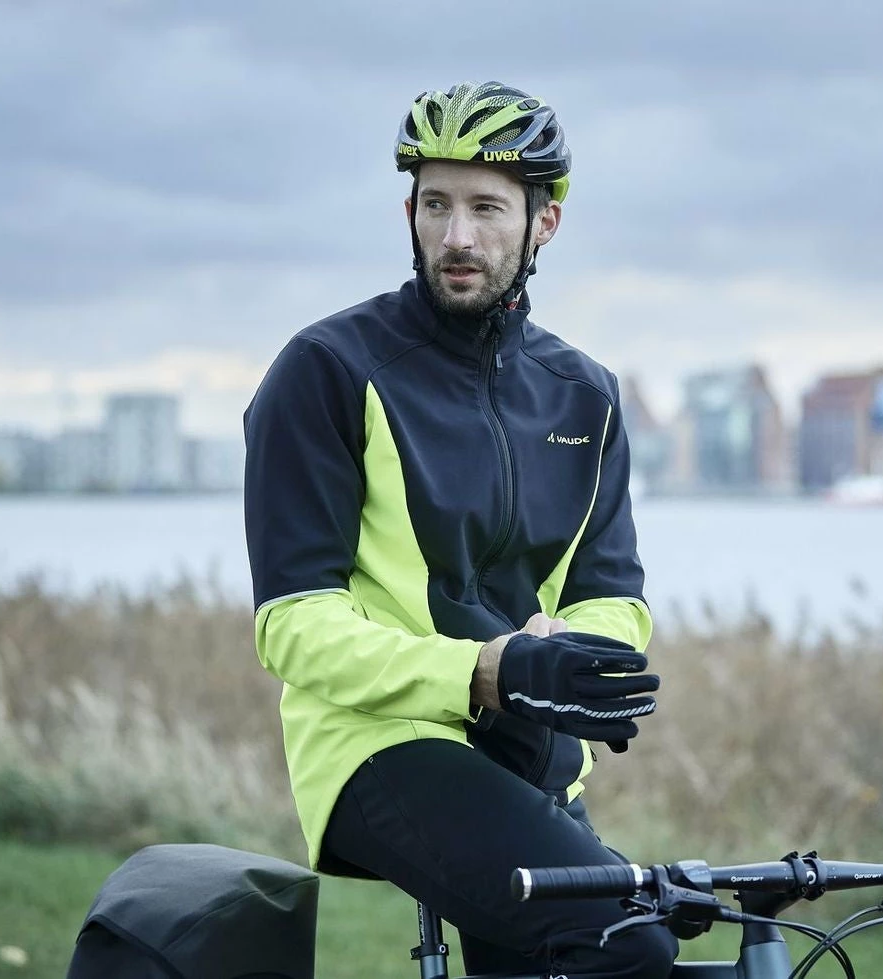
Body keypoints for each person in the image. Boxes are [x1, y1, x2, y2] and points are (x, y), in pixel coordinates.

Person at [242, 80, 678, 979]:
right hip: (381, 745)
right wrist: (483, 669)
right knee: (623, 941)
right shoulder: (329, 369)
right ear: (408, 212)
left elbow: (612, 594)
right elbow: (292, 624)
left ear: (544, 223)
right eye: (435, 204)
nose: (456, 237)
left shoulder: (586, 395)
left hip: (533, 759)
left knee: (614, 944)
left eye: (486, 207)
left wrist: (573, 657)